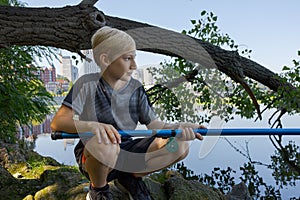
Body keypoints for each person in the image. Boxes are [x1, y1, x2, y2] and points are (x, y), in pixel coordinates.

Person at [51, 26, 204, 200]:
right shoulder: (86, 84)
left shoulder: (136, 89)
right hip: (96, 156)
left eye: (134, 58)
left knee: (179, 147)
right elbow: (58, 122)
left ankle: (130, 177)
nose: (134, 66)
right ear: (105, 59)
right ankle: (98, 190)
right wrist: (92, 127)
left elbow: (155, 126)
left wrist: (177, 129)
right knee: (106, 145)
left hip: (128, 153)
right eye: (127, 58)